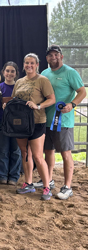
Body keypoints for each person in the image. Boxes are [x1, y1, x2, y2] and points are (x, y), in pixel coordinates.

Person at [37, 45, 86, 200]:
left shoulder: (70, 72)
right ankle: (49, 180)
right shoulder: (44, 73)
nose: (54, 57)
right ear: (47, 58)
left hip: (63, 121)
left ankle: (67, 187)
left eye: (56, 55)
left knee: (65, 153)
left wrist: (72, 104)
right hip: (46, 120)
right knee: (48, 151)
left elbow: (82, 91)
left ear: (61, 56)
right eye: (50, 55)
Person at [9, 53, 55, 200]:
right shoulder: (19, 82)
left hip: (37, 122)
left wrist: (38, 106)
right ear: (24, 65)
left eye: (32, 63)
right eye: (26, 63)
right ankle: (28, 183)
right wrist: (8, 105)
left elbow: (52, 99)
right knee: (25, 153)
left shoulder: (43, 80)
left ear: (37, 65)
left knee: (37, 156)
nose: (29, 65)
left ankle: (47, 187)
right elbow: (14, 99)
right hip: (21, 124)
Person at [0, 62, 22, 186]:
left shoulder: (20, 87)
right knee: (2, 150)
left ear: (16, 73)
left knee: (16, 150)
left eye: (12, 71)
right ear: (3, 72)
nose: (9, 73)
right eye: (7, 71)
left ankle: (14, 177)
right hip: (2, 122)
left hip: (17, 123)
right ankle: (2, 175)